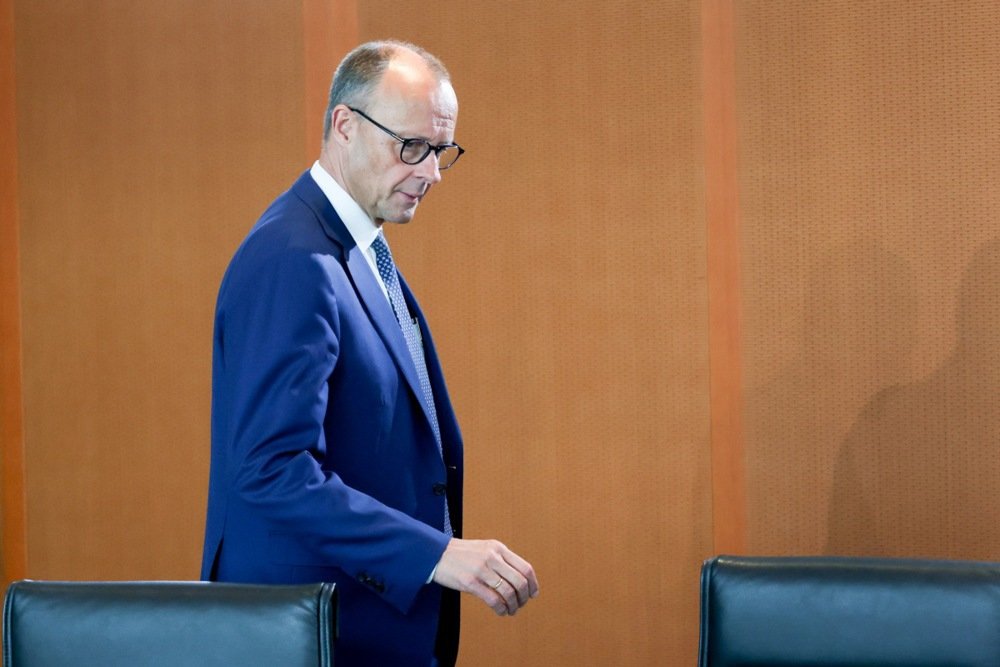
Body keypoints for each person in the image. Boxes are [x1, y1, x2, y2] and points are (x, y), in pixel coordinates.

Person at [201, 40, 539, 666]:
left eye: (440, 150)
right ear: (345, 126)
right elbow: (270, 470)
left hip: (366, 626)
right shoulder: (293, 259)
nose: (431, 173)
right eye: (410, 147)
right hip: (312, 635)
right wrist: (433, 553)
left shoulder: (353, 248)